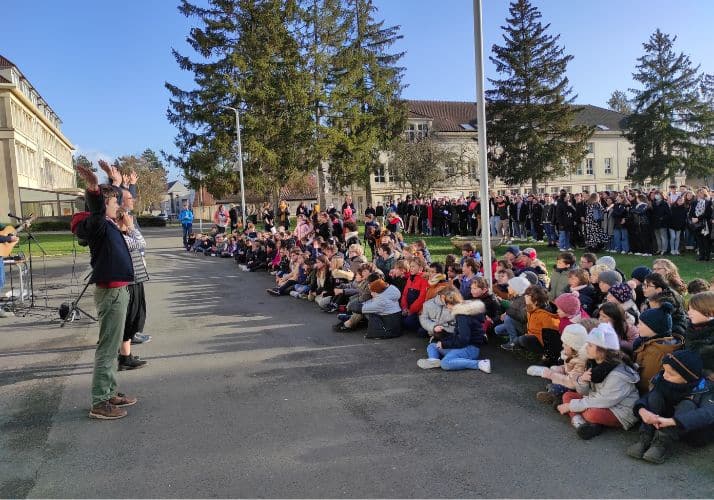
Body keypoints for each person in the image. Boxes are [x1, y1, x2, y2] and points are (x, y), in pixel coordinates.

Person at [75, 161, 137, 420]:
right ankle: (100, 401)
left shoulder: (109, 223)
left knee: (112, 347)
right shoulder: (98, 223)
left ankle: (109, 391)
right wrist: (94, 190)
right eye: (114, 204)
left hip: (118, 289)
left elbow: (115, 200)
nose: (118, 206)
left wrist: (116, 184)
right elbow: (100, 208)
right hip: (110, 291)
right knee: (107, 347)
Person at [557, 324, 640, 440]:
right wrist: (582, 381)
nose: (586, 348)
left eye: (590, 345)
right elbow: (585, 392)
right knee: (567, 396)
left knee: (591, 414)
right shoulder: (593, 362)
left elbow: (604, 400)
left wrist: (571, 407)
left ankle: (588, 421)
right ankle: (579, 422)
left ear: (602, 350)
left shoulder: (618, 374)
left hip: (619, 410)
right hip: (598, 400)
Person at [628, 350, 712, 464]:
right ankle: (645, 437)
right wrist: (642, 411)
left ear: (687, 377)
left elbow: (708, 413)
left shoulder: (705, 388)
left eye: (671, 373)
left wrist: (672, 421)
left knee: (687, 404)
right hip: (663, 419)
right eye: (664, 370)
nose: (664, 375)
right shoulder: (663, 379)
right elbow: (648, 397)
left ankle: (662, 443)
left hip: (689, 427)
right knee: (655, 395)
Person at [417, 292, 491, 373]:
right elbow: (458, 335)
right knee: (433, 346)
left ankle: (480, 363)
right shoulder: (463, 311)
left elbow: (463, 339)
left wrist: (445, 344)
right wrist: (445, 338)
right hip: (464, 346)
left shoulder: (462, 316)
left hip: (470, 348)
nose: (447, 308)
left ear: (451, 304)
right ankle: (434, 360)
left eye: (447, 306)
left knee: (445, 363)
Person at [527, 324, 588, 405]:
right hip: (569, 378)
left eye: (565, 344)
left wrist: (551, 374)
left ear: (574, 347)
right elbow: (568, 369)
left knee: (558, 387)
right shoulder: (573, 355)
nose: (562, 345)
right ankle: (556, 394)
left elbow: (572, 383)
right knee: (555, 373)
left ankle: (554, 397)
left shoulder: (581, 362)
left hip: (575, 386)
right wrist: (559, 369)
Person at [683, 291, 714, 379]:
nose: (688, 313)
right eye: (688, 309)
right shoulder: (692, 329)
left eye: (692, 309)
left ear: (709, 311)